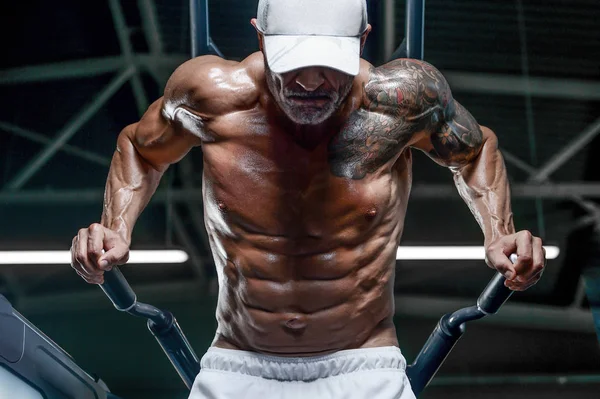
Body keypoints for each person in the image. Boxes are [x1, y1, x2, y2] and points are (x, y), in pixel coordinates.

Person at [69, 0, 546, 397]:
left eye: (329, 66)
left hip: (364, 367)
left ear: (362, 41)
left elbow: (475, 148)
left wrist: (499, 233)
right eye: (294, 63)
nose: (312, 83)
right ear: (259, 38)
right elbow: (140, 148)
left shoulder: (401, 100)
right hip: (239, 366)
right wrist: (116, 226)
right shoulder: (211, 96)